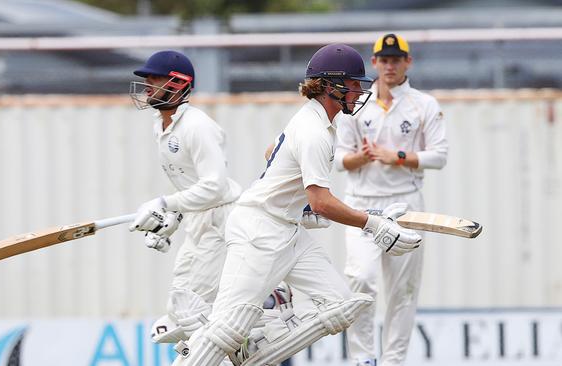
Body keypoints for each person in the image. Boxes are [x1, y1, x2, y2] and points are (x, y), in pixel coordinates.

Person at [171, 43, 422, 366]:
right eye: (354, 84)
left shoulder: (314, 121)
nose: (360, 91)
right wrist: (373, 226)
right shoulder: (315, 131)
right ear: (331, 86)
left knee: (340, 305)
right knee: (225, 329)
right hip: (257, 232)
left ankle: (257, 335)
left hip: (286, 230)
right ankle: (236, 331)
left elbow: (271, 153)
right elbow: (321, 202)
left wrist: (297, 203)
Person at [334, 34, 448, 366]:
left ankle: (393, 361)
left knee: (403, 291)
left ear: (407, 62)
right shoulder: (357, 102)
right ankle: (363, 359)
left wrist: (396, 156)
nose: (389, 66)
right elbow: (339, 158)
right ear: (375, 62)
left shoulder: (423, 104)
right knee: (361, 279)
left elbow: (439, 156)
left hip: (406, 203)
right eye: (384, 60)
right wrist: (362, 158)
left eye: (396, 59)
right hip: (361, 203)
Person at [128, 50, 243, 345]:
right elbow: (190, 185)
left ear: (178, 84)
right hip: (198, 221)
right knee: (177, 309)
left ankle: (263, 309)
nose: (147, 87)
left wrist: (166, 203)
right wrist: (172, 219)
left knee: (194, 308)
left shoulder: (197, 126)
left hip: (221, 220)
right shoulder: (162, 125)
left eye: (154, 79)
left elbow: (214, 186)